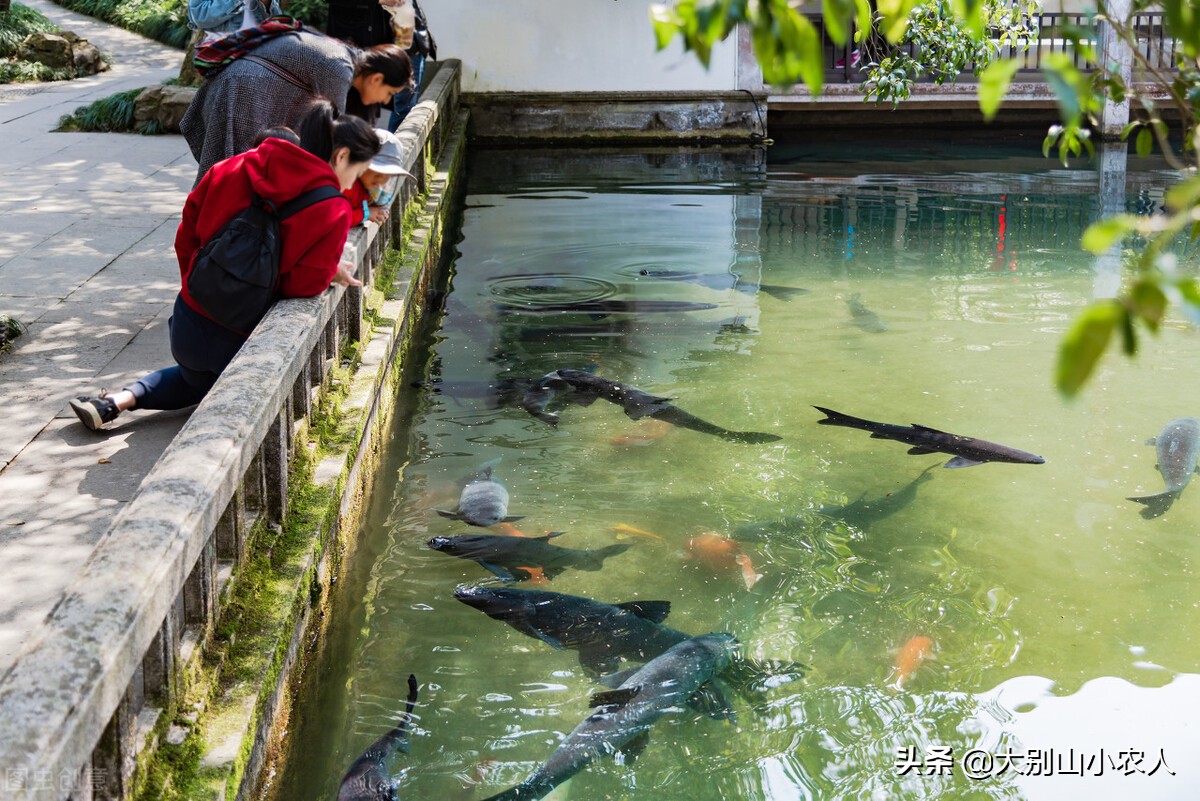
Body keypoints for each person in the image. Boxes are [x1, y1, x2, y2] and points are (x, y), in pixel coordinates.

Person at [69, 103, 380, 432]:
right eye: (357, 174)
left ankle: (114, 402)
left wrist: (199, 285)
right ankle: (124, 403)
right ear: (342, 156)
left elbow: (187, 234)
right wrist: (329, 268)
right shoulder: (333, 208)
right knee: (217, 385)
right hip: (240, 334)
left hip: (187, 320)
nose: (350, 186)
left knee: (196, 380)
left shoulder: (235, 165)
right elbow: (302, 287)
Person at [180, 30, 411, 183]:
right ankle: (210, 243)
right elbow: (334, 138)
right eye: (389, 93)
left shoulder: (344, 59)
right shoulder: (340, 69)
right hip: (241, 91)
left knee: (234, 176)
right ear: (377, 79)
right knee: (230, 177)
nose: (384, 100)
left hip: (244, 88)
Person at [379, 0, 435, 132]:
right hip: (404, 50)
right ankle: (395, 147)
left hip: (414, 48)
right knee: (404, 106)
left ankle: (395, 146)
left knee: (408, 104)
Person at [343, 128, 412, 227]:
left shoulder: (367, 185)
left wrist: (374, 205)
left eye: (387, 175)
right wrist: (365, 213)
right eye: (377, 174)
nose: (380, 180)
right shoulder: (346, 185)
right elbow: (336, 218)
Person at [187, 0, 282, 43]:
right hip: (222, 50)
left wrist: (266, 3)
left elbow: (275, 21)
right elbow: (200, 16)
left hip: (259, 47)